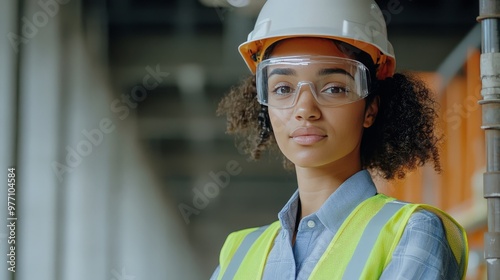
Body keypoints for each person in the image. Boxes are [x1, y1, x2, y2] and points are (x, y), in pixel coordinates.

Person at [211, 0, 468, 279]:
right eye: (283, 88)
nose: (304, 110)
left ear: (370, 108)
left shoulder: (412, 232)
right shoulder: (237, 253)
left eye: (334, 88)